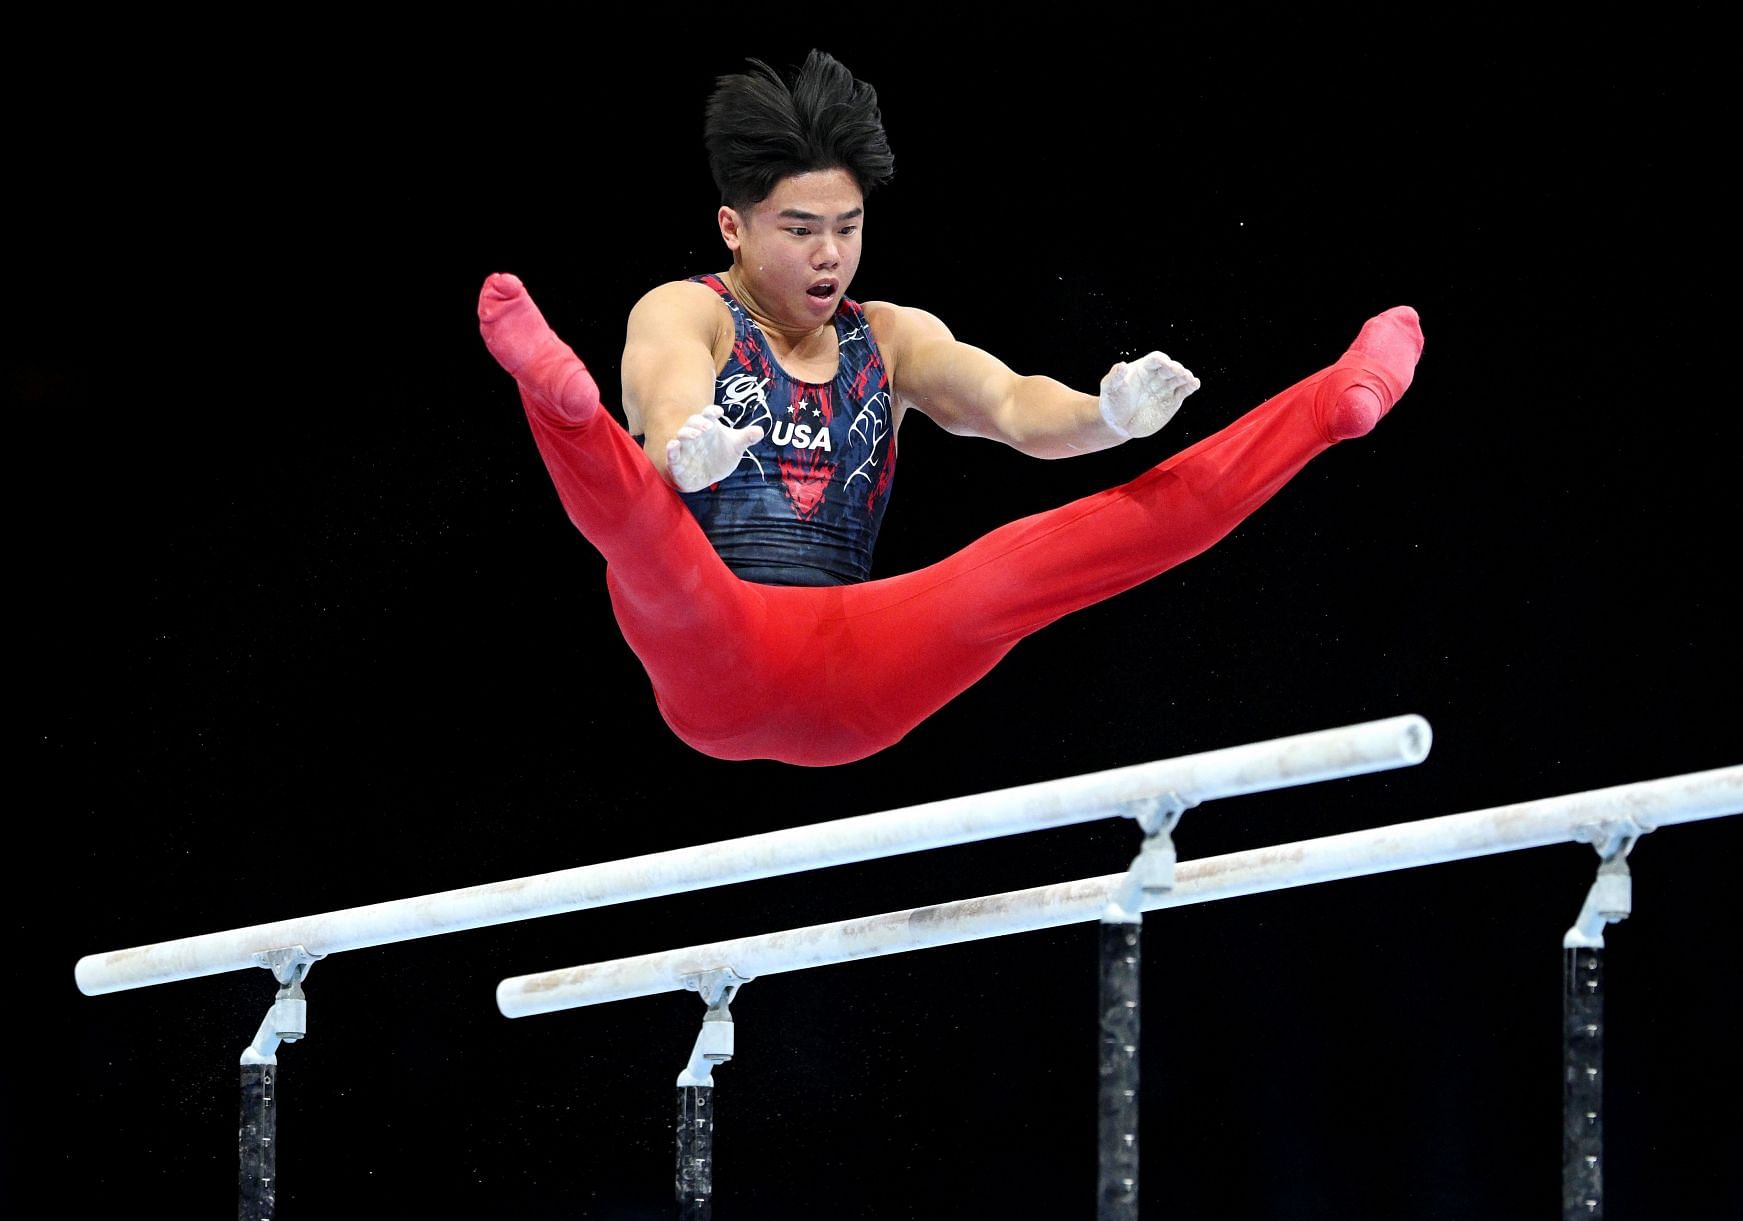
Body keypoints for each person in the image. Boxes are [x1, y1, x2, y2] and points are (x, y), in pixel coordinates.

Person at [479, 50, 1422, 767]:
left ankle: (1329, 404)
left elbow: (1011, 403)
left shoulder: (889, 339)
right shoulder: (686, 309)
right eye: (799, 231)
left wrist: (1108, 414)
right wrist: (683, 446)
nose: (828, 257)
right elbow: (668, 388)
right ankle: (556, 400)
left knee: (1023, 568)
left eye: (847, 230)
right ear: (733, 226)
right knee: (648, 541)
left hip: (862, 665)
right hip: (715, 648)